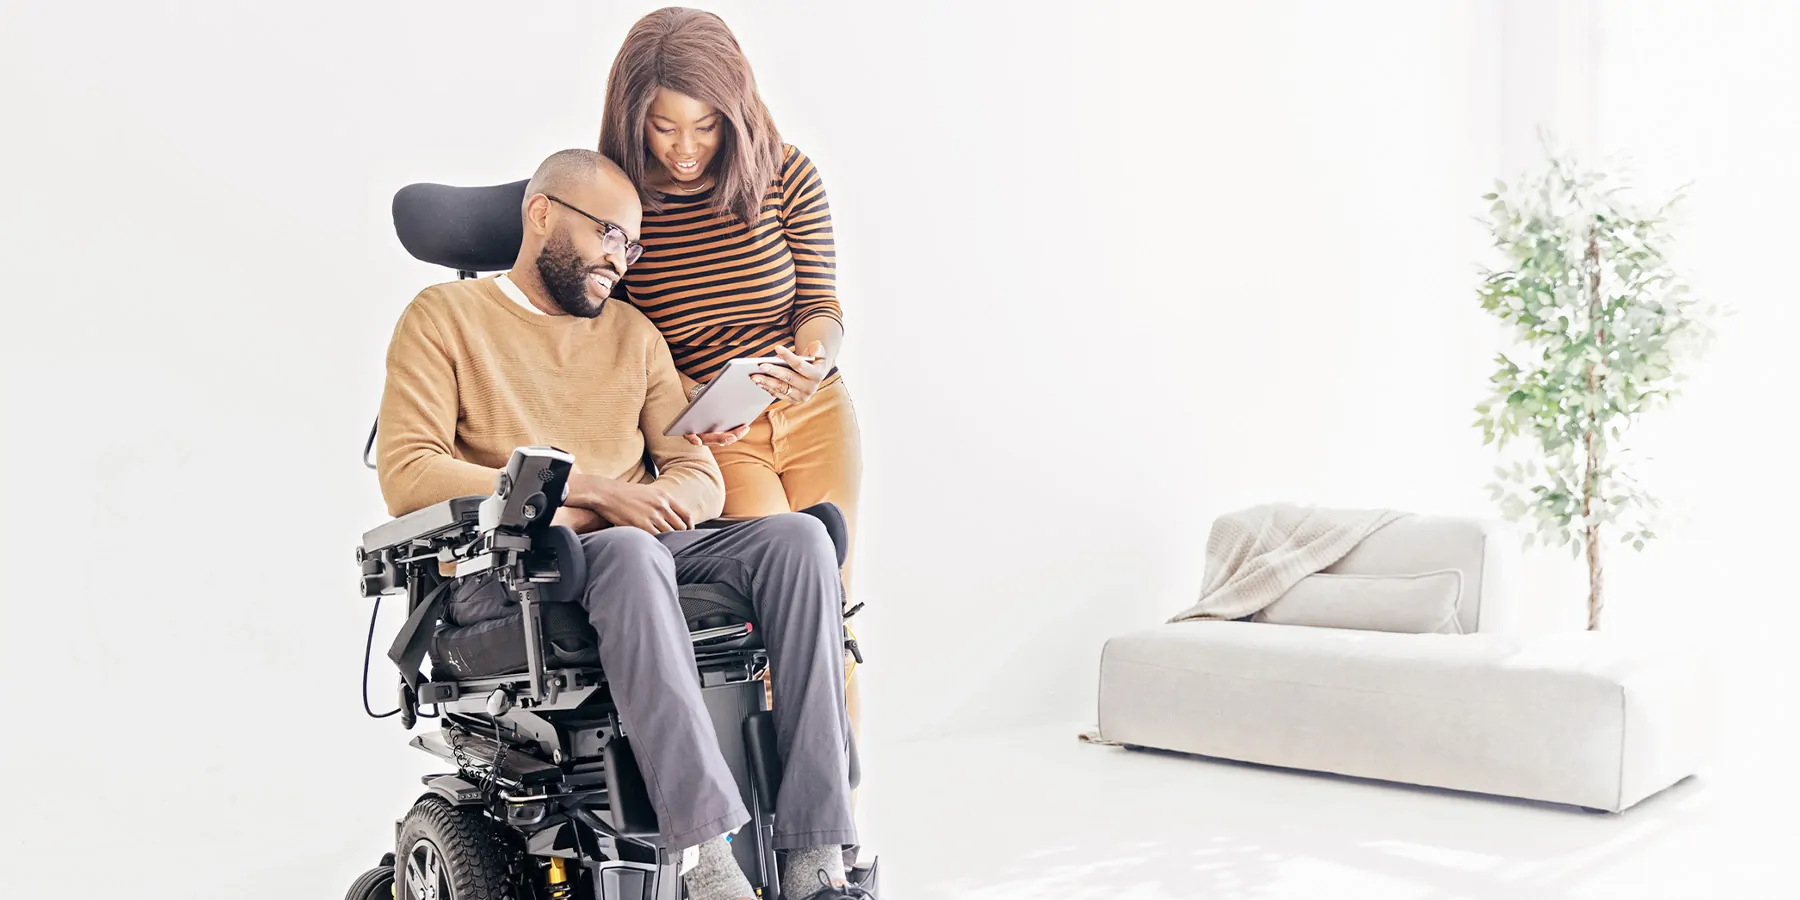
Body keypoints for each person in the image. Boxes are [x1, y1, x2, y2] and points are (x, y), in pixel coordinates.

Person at [375, 148, 868, 900]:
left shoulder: (634, 334)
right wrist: (597, 496)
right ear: (542, 214)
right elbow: (408, 472)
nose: (622, 259)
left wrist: (653, 500)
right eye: (609, 234)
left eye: (632, 244)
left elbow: (696, 469)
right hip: (508, 572)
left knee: (798, 540)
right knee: (632, 551)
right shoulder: (443, 320)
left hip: (640, 553)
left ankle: (813, 858)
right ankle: (707, 859)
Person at [595, 6, 869, 762]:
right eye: (664, 126)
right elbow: (614, 342)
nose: (685, 148)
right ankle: (778, 821)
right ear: (632, 116)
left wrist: (814, 359)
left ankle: (833, 816)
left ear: (735, 113)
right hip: (716, 429)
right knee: (781, 619)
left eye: (706, 125)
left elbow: (820, 305)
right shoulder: (619, 207)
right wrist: (679, 410)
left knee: (835, 613)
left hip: (814, 412)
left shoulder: (786, 173)